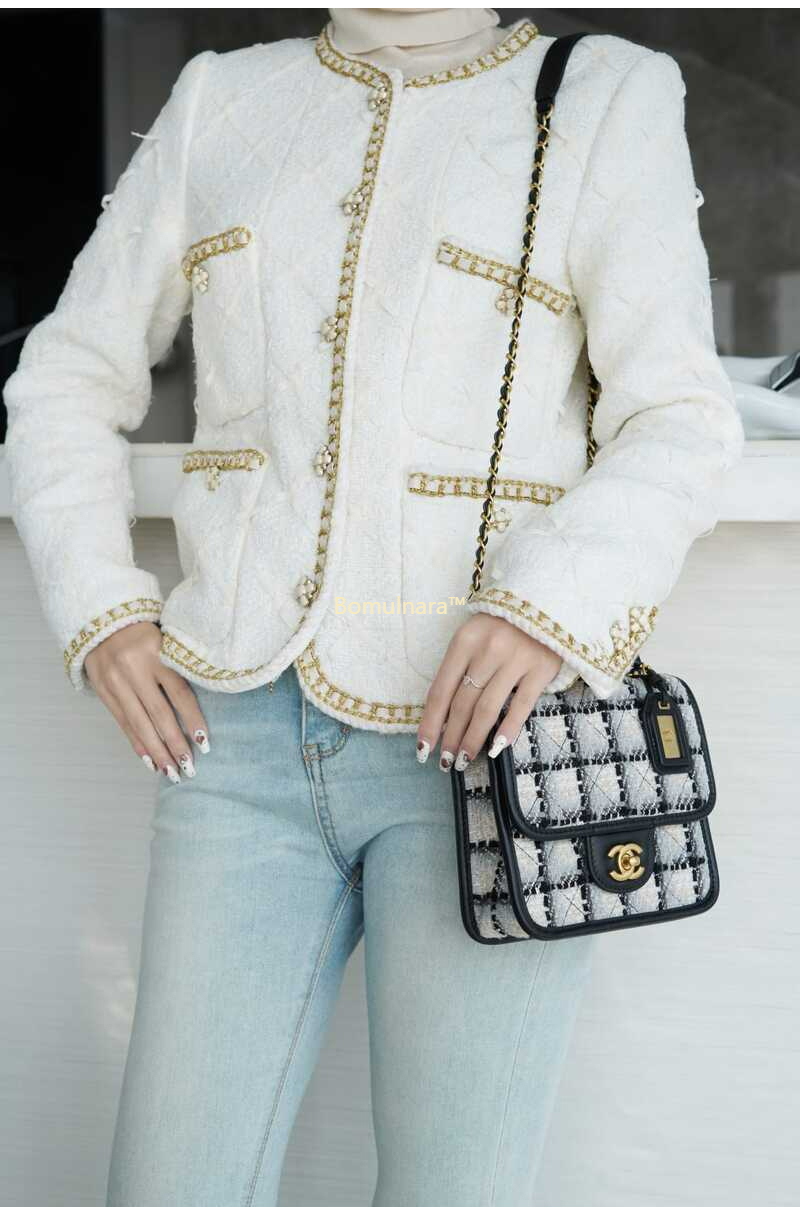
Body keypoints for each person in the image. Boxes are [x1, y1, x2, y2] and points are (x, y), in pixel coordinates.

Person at [3, 8, 745, 1205]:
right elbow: (65, 380)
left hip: (486, 757)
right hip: (232, 739)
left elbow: (675, 417)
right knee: (167, 1188)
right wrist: (100, 606)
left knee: (453, 1193)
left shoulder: (604, 93)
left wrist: (544, 604)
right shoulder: (220, 98)